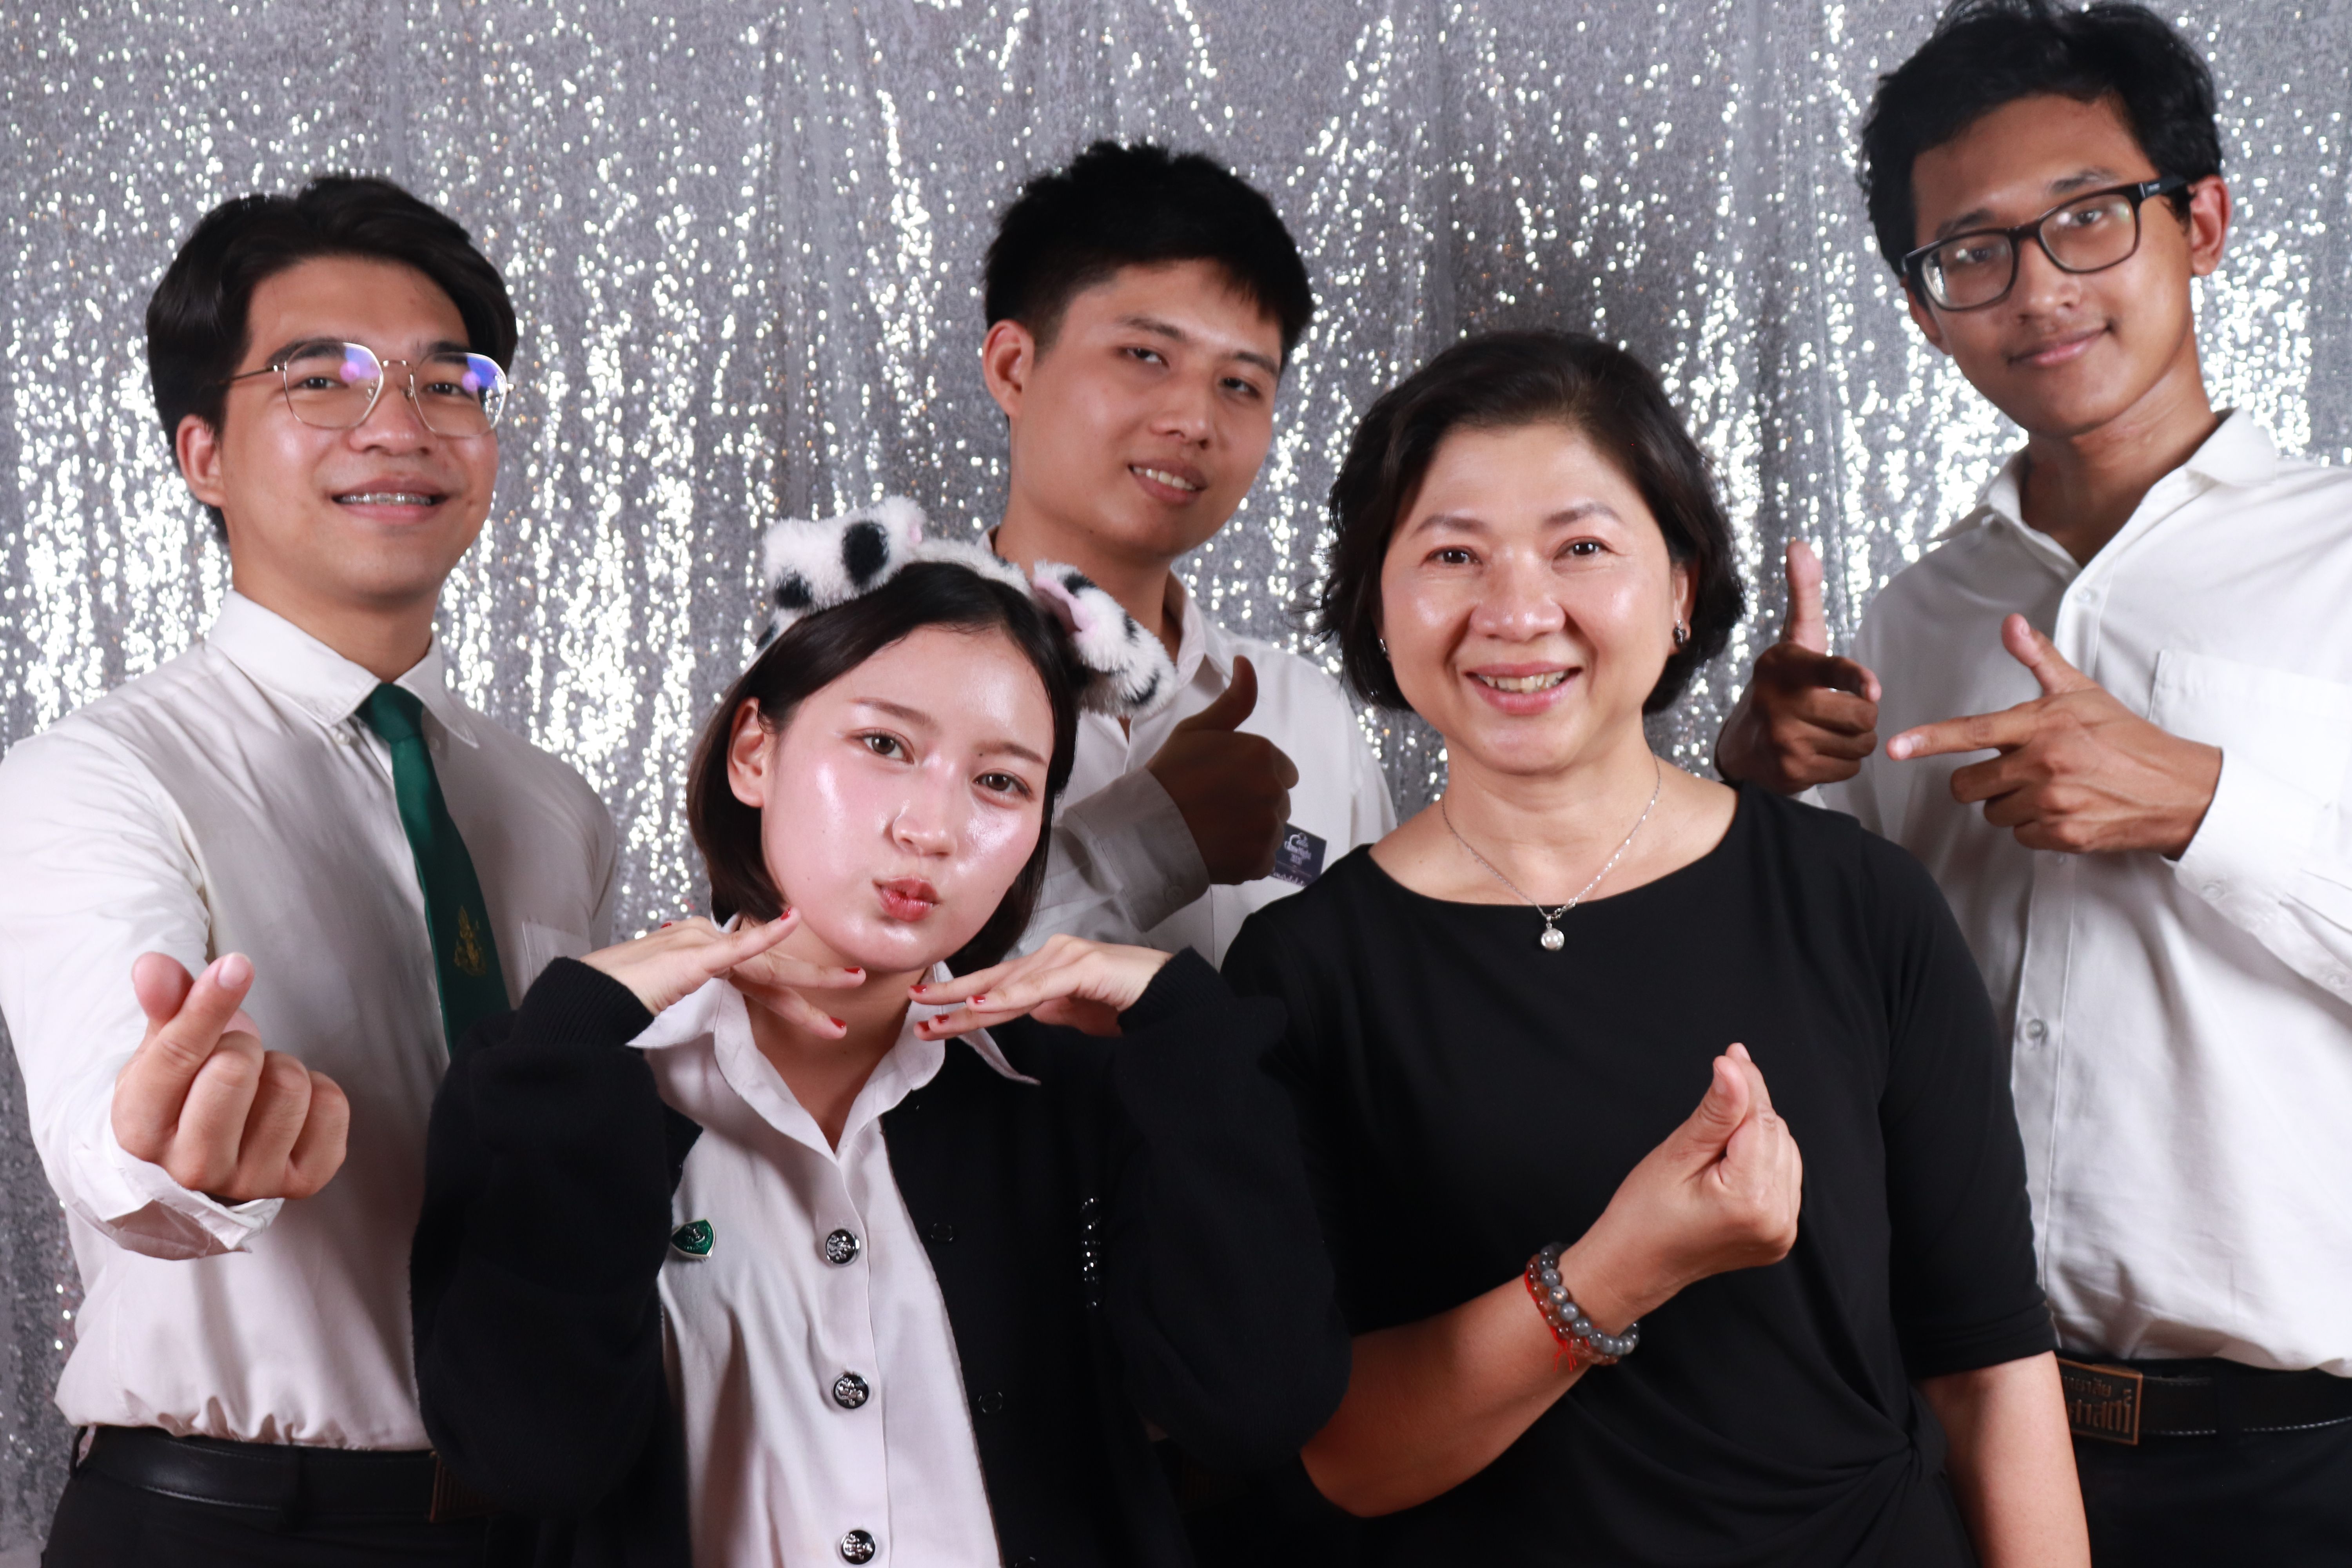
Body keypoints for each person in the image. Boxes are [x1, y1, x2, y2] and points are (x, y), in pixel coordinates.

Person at [1223, 330, 2089, 1566]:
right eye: (1453, 554)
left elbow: (1990, 1369)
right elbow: (1345, 1458)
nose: (1519, 612)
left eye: (1581, 548)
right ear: (1376, 599)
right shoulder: (1299, 975)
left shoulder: (1858, 903)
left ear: (1682, 589)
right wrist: (1614, 1275)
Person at [408, 504, 1349, 1567]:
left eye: (1001, 781)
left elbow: (1256, 1411)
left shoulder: (1084, 1093)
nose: (932, 828)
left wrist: (1185, 1027)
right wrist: (577, 1037)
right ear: (755, 750)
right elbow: (530, 1459)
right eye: (884, 745)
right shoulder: (562, 1081)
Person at [1711, 4, 2352, 1561]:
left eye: (2086, 217)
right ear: (1924, 309)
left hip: (2304, 1458)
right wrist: (1759, 787)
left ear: (2202, 223)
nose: (2039, 287)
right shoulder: (1913, 618)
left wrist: (2203, 806)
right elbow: (1832, 1013)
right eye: (1973, 252)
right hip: (1960, 1428)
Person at [0, 175, 615, 1564]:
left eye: (448, 382)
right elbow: (116, 1124)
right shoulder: (92, 780)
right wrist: (177, 1151)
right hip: (237, 1527)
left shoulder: (552, 806)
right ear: (203, 454)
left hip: (551, 1519)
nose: (399, 424)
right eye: (321, 379)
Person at [982, 140, 1396, 962]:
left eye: (1240, 384)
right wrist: (1149, 840)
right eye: (1146, 356)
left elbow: (1377, 1002)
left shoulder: (1308, 718)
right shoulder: (866, 669)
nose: (1195, 421)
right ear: (1014, 368)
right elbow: (830, 984)